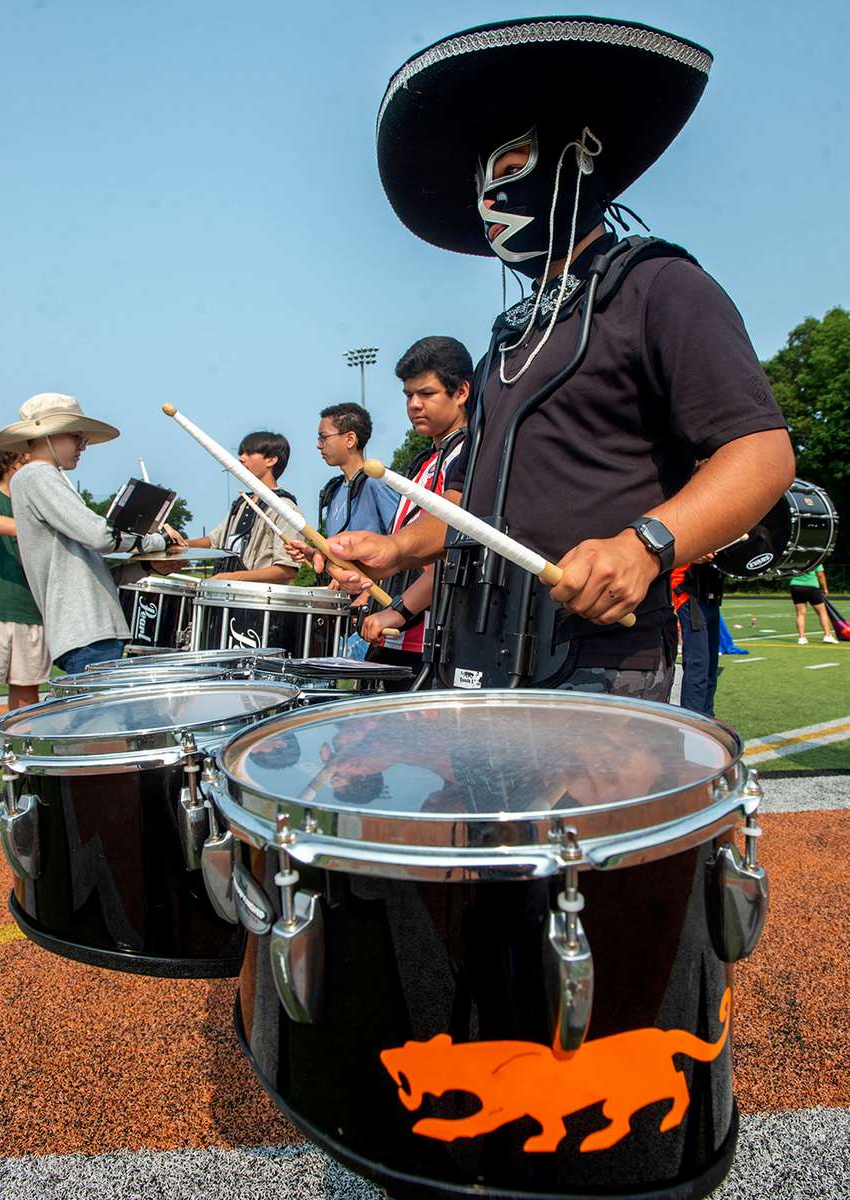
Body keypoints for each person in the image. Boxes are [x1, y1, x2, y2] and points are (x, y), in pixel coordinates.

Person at [315, 15, 795, 703]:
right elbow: (473, 505)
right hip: (475, 648)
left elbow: (761, 453)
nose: (489, 200)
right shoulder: (509, 335)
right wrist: (396, 551)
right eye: (482, 182)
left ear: (581, 157)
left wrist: (643, 545)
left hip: (602, 661)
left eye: (511, 169)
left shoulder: (660, 284)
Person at [0, 393, 181, 676]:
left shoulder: (42, 478)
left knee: (100, 718)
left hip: (89, 629)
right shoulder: (37, 476)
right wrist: (158, 540)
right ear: (48, 436)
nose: (83, 446)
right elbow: (99, 536)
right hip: (87, 631)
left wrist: (147, 565)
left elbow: (87, 565)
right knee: (101, 719)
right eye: (76, 438)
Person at [358, 337, 472, 682]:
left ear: (462, 392)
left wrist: (398, 610)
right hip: (397, 636)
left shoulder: (469, 458)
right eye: (409, 395)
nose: (414, 405)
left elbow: (456, 552)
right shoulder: (422, 463)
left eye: (427, 394)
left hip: (432, 642)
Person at [0, 448, 50, 782]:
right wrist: (31, 527)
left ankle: (24, 786)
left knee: (27, 708)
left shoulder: (34, 503)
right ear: (10, 462)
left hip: (30, 610)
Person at [187, 431, 303, 583]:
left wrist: (233, 577)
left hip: (257, 600)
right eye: (241, 453)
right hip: (224, 594)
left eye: (249, 453)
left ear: (271, 460)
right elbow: (213, 541)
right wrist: (183, 545)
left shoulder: (285, 509)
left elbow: (287, 569)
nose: (241, 458)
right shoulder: (241, 504)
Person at [317, 404, 398, 538]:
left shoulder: (378, 483)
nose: (319, 445)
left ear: (350, 440)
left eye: (323, 438)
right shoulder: (334, 491)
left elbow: (404, 539)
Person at [670, 557, 725, 716]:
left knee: (710, 666)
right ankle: (692, 719)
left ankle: (707, 717)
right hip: (689, 593)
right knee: (698, 663)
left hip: (711, 594)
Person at [790, 565, 838, 645]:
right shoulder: (815, 558)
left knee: (800, 613)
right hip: (811, 587)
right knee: (822, 612)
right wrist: (825, 589)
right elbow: (820, 575)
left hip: (795, 586)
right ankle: (827, 635)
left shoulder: (796, 559)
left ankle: (801, 638)